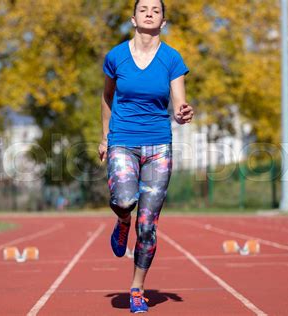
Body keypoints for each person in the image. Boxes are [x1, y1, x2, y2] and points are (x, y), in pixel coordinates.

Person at [98, 0, 194, 313]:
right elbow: (107, 97)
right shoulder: (116, 56)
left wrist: (182, 113)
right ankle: (122, 220)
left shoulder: (172, 58)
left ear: (163, 22)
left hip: (158, 146)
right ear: (133, 18)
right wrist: (104, 137)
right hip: (123, 141)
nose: (150, 12)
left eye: (156, 9)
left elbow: (179, 103)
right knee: (124, 200)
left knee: (149, 224)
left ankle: (137, 288)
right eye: (144, 9)